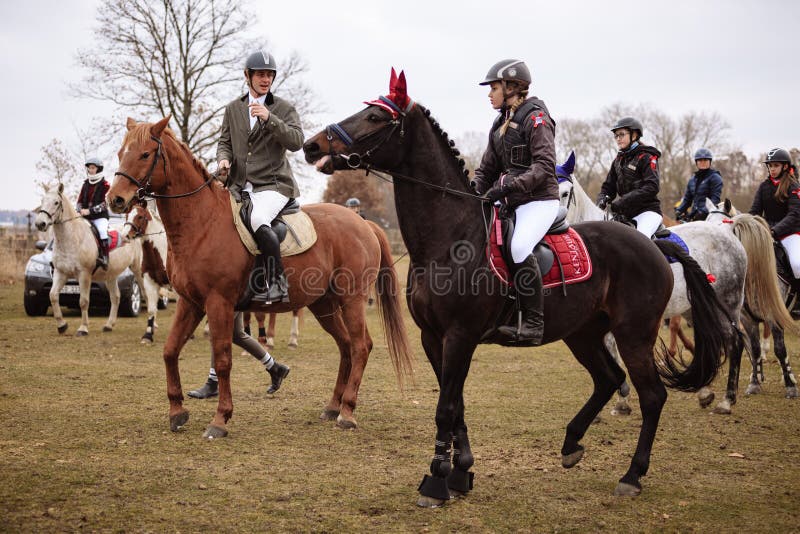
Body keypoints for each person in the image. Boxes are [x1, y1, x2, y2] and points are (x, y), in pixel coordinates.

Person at [471, 59, 560, 345]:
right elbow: (486, 170)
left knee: (519, 246)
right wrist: (471, 194)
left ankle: (534, 324)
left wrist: (508, 187)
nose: (489, 94)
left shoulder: (536, 118)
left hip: (540, 200)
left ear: (511, 87)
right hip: (512, 201)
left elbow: (544, 166)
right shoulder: (499, 124)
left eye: (494, 87)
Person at [217, 50, 304, 304]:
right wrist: (223, 158)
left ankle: (277, 283)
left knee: (257, 217)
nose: (265, 79)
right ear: (248, 76)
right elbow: (225, 142)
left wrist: (270, 118)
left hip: (274, 185)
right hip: (239, 185)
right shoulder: (233, 108)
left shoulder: (283, 108)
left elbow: (297, 141)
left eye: (269, 75)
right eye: (260, 74)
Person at [188, 312, 290, 398]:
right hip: (237, 293)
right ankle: (274, 367)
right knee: (237, 334)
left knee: (218, 331)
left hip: (231, 292)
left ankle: (212, 383)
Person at [749, 148, 800, 318]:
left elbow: (794, 215)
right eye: (770, 166)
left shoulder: (794, 186)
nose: (772, 169)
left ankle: (797, 304)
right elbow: (755, 211)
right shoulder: (763, 187)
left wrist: (774, 231)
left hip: (790, 234)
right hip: (767, 233)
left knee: (797, 264)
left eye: (776, 165)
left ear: (785, 167)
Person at [597, 117, 663, 238]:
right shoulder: (617, 161)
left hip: (647, 212)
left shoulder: (647, 157)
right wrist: (602, 199)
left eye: (621, 134)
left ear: (634, 135)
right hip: (625, 214)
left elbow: (652, 187)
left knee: (641, 239)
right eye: (616, 136)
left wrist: (623, 201)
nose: (618, 139)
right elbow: (608, 187)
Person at [76, 157, 111, 269]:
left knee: (102, 231)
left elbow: (105, 204)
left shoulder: (106, 185)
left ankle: (105, 257)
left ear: (98, 169)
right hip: (85, 217)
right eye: (89, 168)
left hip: (100, 217)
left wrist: (90, 211)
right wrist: (79, 209)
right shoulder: (86, 184)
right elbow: (79, 200)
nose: (90, 170)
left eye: (92, 168)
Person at [675, 148, 723, 221]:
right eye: (700, 160)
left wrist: (703, 212)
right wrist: (679, 210)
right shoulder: (692, 180)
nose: (703, 162)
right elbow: (687, 199)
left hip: (710, 216)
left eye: (705, 160)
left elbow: (715, 200)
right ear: (696, 162)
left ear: (710, 162)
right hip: (694, 215)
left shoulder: (715, 178)